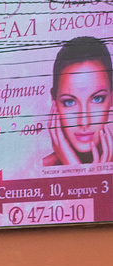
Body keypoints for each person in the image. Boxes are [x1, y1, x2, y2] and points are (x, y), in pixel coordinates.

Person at [42, 35, 113, 167]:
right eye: (69, 102)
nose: (84, 122)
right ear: (54, 101)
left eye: (97, 99)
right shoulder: (36, 169)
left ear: (111, 99)